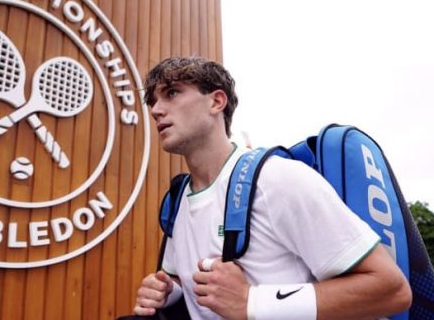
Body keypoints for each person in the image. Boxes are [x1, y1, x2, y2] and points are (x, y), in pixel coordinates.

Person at [125, 57, 410, 319]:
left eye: (172, 93)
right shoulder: (177, 201)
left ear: (216, 102)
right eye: (152, 100)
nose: (156, 110)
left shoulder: (278, 180)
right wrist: (166, 290)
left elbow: (392, 289)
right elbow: (181, 281)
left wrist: (251, 301)